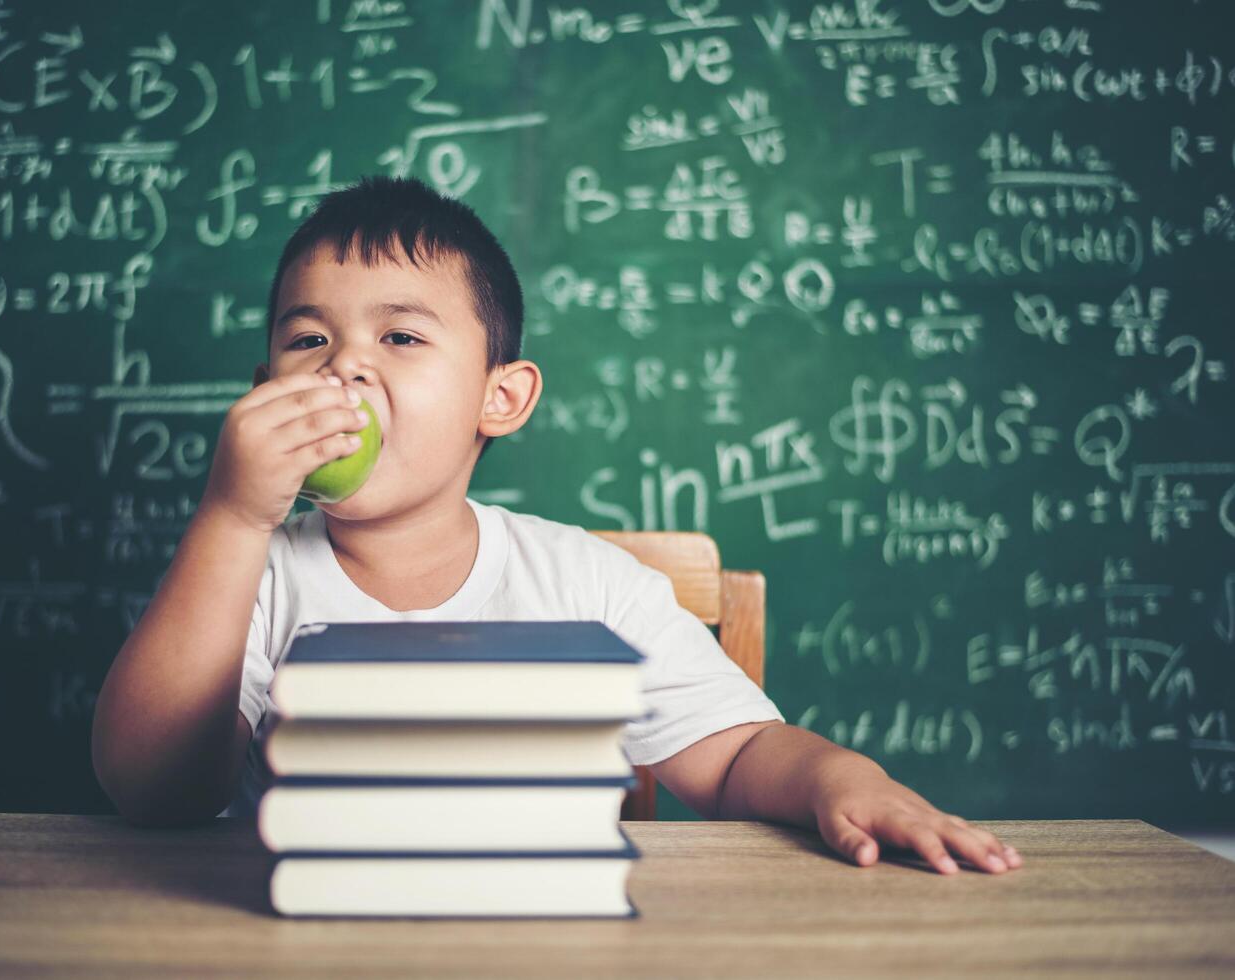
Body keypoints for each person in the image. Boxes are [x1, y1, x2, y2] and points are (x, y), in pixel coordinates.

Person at [91, 175, 1022, 876]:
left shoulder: (586, 585)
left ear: (500, 398)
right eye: (306, 341)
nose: (345, 371)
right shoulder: (243, 575)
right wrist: (231, 515)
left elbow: (735, 754)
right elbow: (155, 794)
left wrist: (836, 779)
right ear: (264, 398)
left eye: (401, 337)